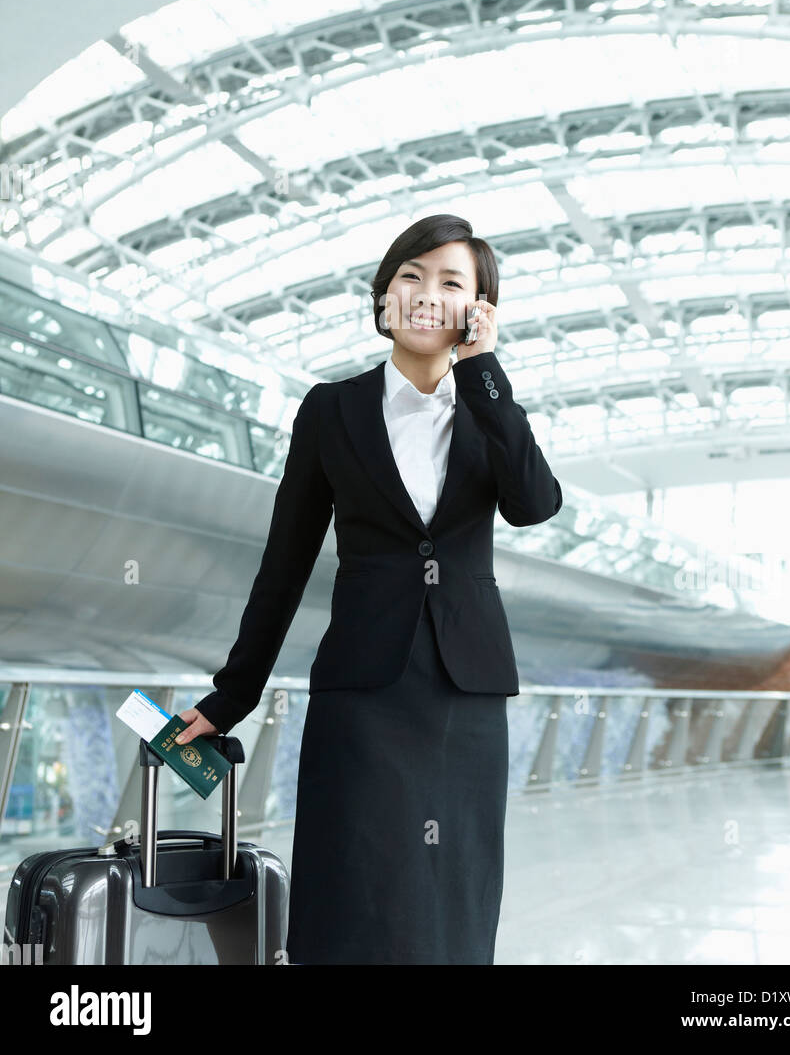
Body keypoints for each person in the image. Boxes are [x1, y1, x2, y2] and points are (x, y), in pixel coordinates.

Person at [178, 212, 562, 963]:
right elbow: (284, 561)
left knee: (452, 891)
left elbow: (534, 504)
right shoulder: (332, 409)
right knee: (352, 887)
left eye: (451, 282)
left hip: (464, 695)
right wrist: (232, 696)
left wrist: (487, 374)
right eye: (410, 276)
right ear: (384, 295)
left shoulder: (489, 411)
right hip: (363, 696)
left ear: (477, 311)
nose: (425, 293)